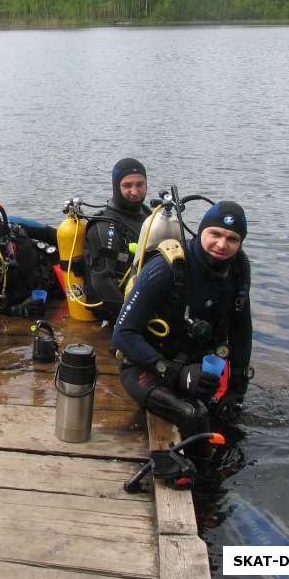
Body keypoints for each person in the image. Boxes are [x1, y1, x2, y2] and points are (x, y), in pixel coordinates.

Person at [112, 201, 253, 470]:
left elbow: (241, 330)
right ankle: (207, 486)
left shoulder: (238, 270)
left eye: (232, 239)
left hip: (198, 367)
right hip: (147, 367)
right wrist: (172, 372)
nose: (222, 245)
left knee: (229, 417)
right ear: (200, 233)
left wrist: (237, 387)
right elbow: (122, 334)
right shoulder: (167, 268)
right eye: (215, 234)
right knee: (195, 416)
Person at [0, 199, 60, 318]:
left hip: (44, 282)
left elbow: (51, 233)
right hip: (20, 301)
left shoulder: (15, 225)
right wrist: (16, 310)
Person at [83, 158, 151, 324]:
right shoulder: (105, 226)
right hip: (115, 308)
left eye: (140, 184)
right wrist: (134, 319)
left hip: (144, 293)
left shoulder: (149, 214)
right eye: (127, 185)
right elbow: (102, 282)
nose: (135, 192)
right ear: (116, 186)